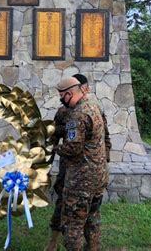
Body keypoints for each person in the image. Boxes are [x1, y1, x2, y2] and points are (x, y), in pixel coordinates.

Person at [45, 74, 111, 251]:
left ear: (69, 93)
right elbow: (104, 139)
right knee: (92, 219)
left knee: (73, 225)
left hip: (80, 181)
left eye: (62, 96)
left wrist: (52, 150)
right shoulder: (94, 107)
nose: (61, 100)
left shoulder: (78, 115)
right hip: (98, 177)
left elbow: (73, 149)